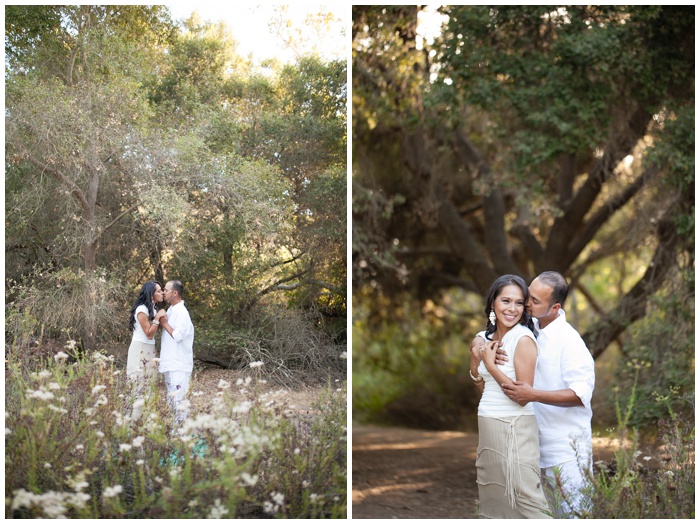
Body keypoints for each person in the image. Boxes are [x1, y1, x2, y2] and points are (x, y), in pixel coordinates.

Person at [471, 271, 595, 518]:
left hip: (564, 449)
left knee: (573, 515)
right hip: (529, 440)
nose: (525, 304)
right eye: (528, 295)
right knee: (526, 509)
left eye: (533, 301)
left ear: (555, 307)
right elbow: (489, 332)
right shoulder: (530, 324)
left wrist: (533, 394)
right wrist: (478, 347)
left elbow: (581, 395)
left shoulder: (569, 341)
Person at [470, 274, 551, 519]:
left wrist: (491, 366)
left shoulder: (523, 339)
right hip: (487, 421)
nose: (512, 308)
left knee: (527, 497)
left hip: (516, 425)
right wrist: (477, 362)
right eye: (506, 301)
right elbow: (482, 386)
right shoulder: (482, 339)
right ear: (493, 303)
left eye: (518, 303)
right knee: (496, 499)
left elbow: (522, 396)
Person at [126, 281, 165, 420]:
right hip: (139, 349)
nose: (162, 293)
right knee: (138, 385)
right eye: (159, 291)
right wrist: (157, 317)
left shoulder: (153, 308)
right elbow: (149, 333)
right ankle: (133, 422)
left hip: (149, 349)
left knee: (150, 384)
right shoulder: (142, 309)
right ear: (151, 294)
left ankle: (146, 420)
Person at [158, 279, 194, 426]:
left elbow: (178, 336)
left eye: (166, 290)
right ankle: (174, 436)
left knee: (180, 402)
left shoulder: (182, 313)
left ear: (175, 293)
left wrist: (165, 324)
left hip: (179, 364)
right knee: (171, 401)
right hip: (169, 363)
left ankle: (180, 438)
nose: (163, 292)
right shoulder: (171, 310)